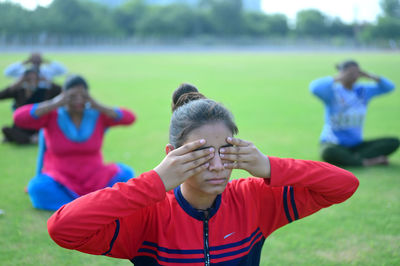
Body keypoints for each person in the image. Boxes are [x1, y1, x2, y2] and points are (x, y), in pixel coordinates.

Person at [47, 83, 359, 265]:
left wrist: (269, 167)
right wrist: (155, 181)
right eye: (200, 152)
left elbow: (344, 185)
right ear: (173, 156)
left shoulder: (254, 199)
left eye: (225, 150)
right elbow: (63, 228)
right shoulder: (147, 216)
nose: (216, 165)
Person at [13, 75, 136, 211]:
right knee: (37, 188)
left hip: (95, 177)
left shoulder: (97, 115)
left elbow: (129, 118)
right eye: (73, 96)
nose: (78, 100)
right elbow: (19, 117)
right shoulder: (53, 115)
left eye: (82, 96)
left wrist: (97, 105)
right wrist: (55, 103)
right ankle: (91, 204)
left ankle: (80, 205)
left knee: (126, 174)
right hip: (61, 178)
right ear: (64, 96)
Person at [310, 60, 399, 167]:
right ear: (342, 73)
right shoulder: (333, 92)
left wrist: (369, 75)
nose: (353, 76)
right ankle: (367, 161)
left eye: (356, 72)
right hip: (334, 143)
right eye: (350, 73)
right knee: (327, 151)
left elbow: (389, 87)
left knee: (393, 142)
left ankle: (350, 158)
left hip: (357, 144)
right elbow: (314, 88)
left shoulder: (363, 90)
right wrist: (337, 78)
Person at [1, 68, 61, 144]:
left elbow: (62, 92)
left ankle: (28, 139)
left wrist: (47, 81)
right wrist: (15, 84)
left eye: (34, 78)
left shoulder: (44, 91)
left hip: (38, 124)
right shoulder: (19, 91)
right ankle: (31, 139)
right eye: (29, 79)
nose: (32, 81)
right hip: (21, 125)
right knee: (6, 129)